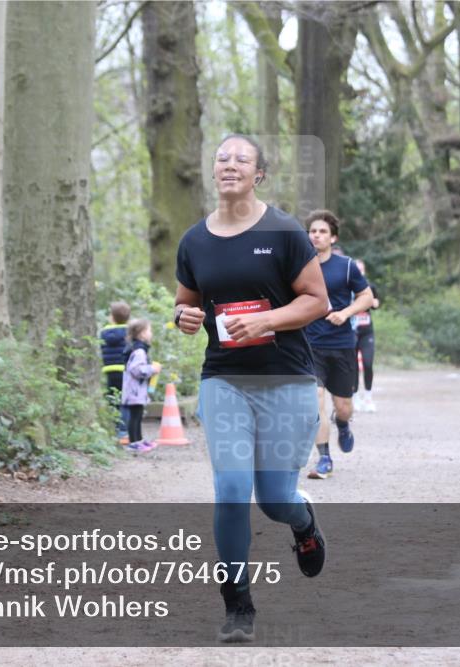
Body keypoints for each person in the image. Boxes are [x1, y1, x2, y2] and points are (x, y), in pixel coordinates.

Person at [174, 134, 329, 643]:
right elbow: (185, 304)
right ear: (212, 171)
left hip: (286, 377)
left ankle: (303, 524)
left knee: (274, 499)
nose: (230, 165)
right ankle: (237, 604)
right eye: (222, 158)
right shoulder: (194, 241)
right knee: (233, 489)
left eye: (242, 159)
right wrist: (186, 317)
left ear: (259, 173)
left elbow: (316, 301)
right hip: (224, 379)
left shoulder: (283, 231)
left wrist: (267, 321)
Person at [303, 211, 374, 480]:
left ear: (333, 237)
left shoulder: (346, 266)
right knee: (315, 400)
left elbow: (366, 297)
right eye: (312, 231)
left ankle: (343, 423)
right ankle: (324, 459)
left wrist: (345, 313)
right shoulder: (300, 267)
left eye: (322, 231)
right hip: (310, 344)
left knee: (343, 405)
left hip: (342, 344)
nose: (316, 235)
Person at [121, 319, 161, 453]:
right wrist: (152, 369)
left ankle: (139, 440)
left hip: (137, 391)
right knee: (135, 417)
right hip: (134, 391)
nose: (151, 333)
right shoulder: (139, 351)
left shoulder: (138, 349)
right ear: (142, 334)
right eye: (149, 330)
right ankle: (134, 443)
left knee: (137, 416)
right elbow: (136, 369)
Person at [100, 301, 131, 443]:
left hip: (110, 370)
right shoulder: (130, 332)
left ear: (112, 317)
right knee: (125, 400)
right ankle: (124, 431)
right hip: (125, 371)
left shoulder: (104, 332)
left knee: (113, 399)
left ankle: (114, 429)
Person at [352, 259, 381, 413]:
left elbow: (376, 303)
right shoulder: (347, 287)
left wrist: (372, 302)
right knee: (354, 366)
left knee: (368, 363)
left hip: (366, 332)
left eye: (361, 269)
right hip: (351, 332)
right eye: (357, 269)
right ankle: (355, 397)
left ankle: (368, 398)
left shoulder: (370, 287)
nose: (360, 272)